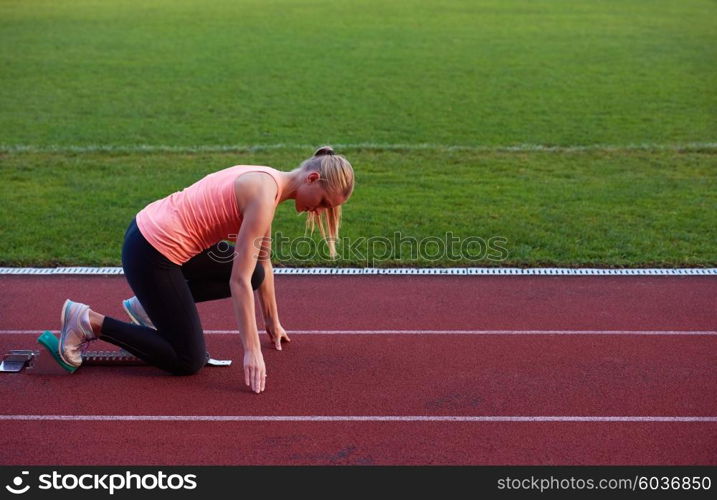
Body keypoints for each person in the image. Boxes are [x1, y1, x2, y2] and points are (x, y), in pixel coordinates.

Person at [56, 146, 354, 393]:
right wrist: (251, 350)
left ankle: (149, 308)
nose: (319, 211)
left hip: (148, 231)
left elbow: (261, 260)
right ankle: (87, 321)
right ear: (312, 178)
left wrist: (272, 323)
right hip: (150, 251)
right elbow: (238, 281)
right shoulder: (264, 198)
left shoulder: (268, 180)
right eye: (324, 203)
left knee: (257, 274)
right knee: (187, 360)